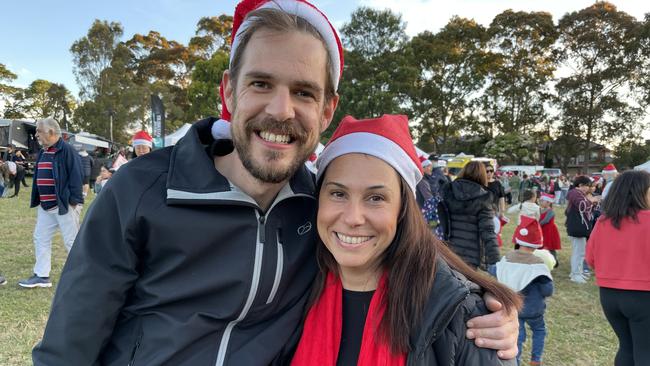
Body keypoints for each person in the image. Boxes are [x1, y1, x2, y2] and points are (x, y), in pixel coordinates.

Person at [32, 1, 518, 364]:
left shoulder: (320, 206)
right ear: (229, 90)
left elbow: (391, 234)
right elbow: (66, 349)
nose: (281, 110)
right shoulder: (140, 191)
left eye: (303, 91)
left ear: (327, 110)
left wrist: (486, 313)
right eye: (261, 83)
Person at [292, 114, 520, 365]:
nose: (353, 217)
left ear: (403, 209)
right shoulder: (290, 286)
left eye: (376, 198)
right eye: (338, 193)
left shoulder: (464, 317)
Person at [586, 170, 650, 366]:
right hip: (643, 296)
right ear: (641, 193)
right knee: (645, 351)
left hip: (609, 296)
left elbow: (590, 259)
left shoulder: (604, 221)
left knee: (627, 347)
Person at [18, 118, 84, 288]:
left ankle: (82, 276)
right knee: (40, 238)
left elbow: (77, 176)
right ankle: (41, 276)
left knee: (72, 241)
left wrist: (74, 202)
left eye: (39, 131)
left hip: (64, 206)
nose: (36, 135)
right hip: (46, 206)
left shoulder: (68, 151)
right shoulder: (43, 151)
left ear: (52, 132)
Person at [491, 216, 553, 366]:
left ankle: (515, 361)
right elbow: (547, 290)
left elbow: (494, 272)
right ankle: (535, 359)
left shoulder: (506, 259)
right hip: (534, 309)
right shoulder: (538, 264)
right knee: (539, 331)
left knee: (517, 335)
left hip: (513, 307)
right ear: (536, 245)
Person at [441, 161, 500, 269]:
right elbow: (487, 231)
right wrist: (495, 259)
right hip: (470, 254)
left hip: (446, 248)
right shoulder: (484, 197)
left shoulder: (448, 189)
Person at [565, 175, 598, 284]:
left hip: (579, 226)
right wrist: (592, 201)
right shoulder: (574, 193)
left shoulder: (577, 193)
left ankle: (576, 272)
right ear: (580, 185)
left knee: (579, 252)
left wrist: (592, 202)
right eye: (587, 186)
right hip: (577, 226)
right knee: (579, 253)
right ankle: (575, 274)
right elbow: (582, 206)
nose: (588, 188)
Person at [539, 193, 561, 267]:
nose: (541, 202)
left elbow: (545, 221)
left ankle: (554, 261)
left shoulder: (550, 211)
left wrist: (536, 224)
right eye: (541, 201)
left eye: (543, 201)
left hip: (549, 231)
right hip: (542, 230)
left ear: (548, 202)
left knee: (550, 247)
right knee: (541, 246)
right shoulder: (539, 210)